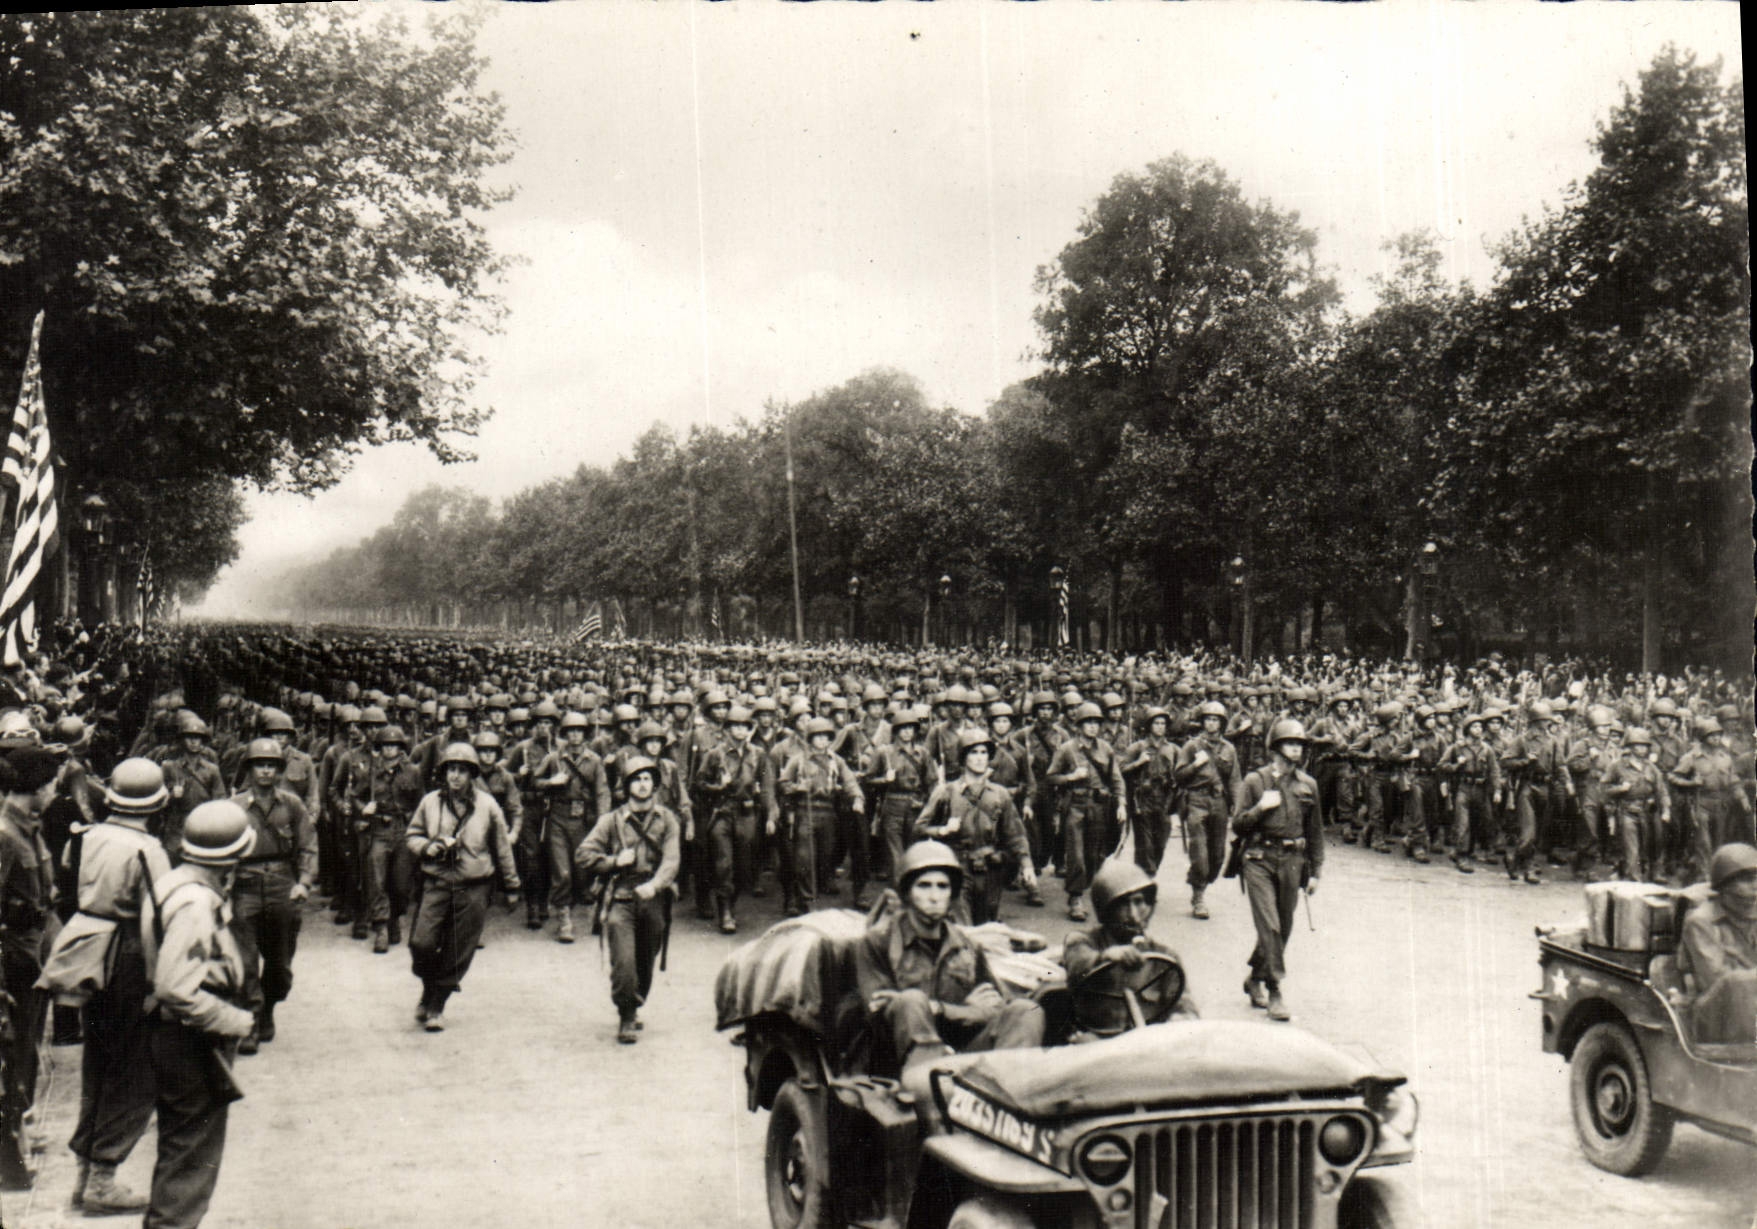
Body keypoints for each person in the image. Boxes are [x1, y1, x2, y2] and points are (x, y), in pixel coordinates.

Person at [36, 757, 172, 1214]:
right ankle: (103, 1178)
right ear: (156, 803)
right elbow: (154, 920)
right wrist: (160, 982)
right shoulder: (149, 849)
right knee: (137, 1071)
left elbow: (63, 895)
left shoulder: (85, 836)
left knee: (99, 1064)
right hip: (130, 959)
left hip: (89, 954)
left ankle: (84, 1175)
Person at [142, 799, 256, 1229]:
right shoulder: (196, 904)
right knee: (190, 1159)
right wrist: (235, 1021)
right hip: (190, 1041)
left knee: (182, 1153)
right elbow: (176, 986)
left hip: (179, 1036)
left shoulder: (177, 883)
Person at [847, 840, 1044, 1077]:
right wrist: (963, 1011)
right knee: (910, 1001)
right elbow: (881, 1014)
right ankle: (934, 1091)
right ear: (907, 892)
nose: (934, 896)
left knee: (1026, 1011)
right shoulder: (877, 942)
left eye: (943, 887)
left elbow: (996, 1007)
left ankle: (1008, 1094)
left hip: (960, 1056)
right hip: (897, 1065)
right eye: (924, 886)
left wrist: (940, 1009)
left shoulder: (965, 945)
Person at [404, 744, 520, 1032]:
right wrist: (428, 847)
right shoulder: (431, 802)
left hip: (474, 885)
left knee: (459, 949)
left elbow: (502, 847)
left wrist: (512, 884)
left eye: (462, 771)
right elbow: (413, 834)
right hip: (437, 881)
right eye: (451, 770)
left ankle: (437, 1004)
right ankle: (429, 985)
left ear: (471, 774)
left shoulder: (488, 804)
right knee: (421, 943)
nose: (455, 776)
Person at [573, 756, 681, 1044]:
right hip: (621, 897)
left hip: (654, 898)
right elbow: (583, 854)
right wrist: (613, 861)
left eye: (647, 779)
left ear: (655, 785)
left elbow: (672, 860)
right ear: (627, 785)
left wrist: (656, 885)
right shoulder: (611, 820)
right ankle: (627, 1014)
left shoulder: (667, 819)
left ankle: (635, 1002)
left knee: (646, 959)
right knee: (624, 963)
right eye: (636, 779)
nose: (643, 785)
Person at [1228, 718, 1323, 1023]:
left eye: (1299, 744)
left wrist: (1315, 871)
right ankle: (1275, 988)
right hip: (1259, 858)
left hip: (1293, 861)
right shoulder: (1256, 781)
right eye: (1290, 743)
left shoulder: (1308, 784)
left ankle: (1255, 976)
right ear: (1276, 747)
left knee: (1283, 926)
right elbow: (1239, 823)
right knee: (1270, 925)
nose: (1296, 749)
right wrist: (1261, 809)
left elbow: (1315, 831)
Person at [228, 737, 317, 1054]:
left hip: (282, 883)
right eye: (259, 765)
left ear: (279, 770)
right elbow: (221, 851)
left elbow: (307, 846)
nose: (265, 772)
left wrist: (303, 883)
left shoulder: (292, 805)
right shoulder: (235, 807)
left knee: (280, 968)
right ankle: (251, 1022)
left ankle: (267, 1007)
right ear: (249, 769)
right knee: (245, 961)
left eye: (271, 766)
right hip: (245, 884)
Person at [0, 748, 61, 1190]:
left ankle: (21, 1124)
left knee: (29, 1045)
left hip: (32, 953)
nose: (55, 791)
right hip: (14, 960)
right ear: (37, 789)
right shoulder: (5, 835)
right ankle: (12, 1138)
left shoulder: (28, 829)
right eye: (52, 785)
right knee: (16, 1049)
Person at [1061, 860, 1197, 1039]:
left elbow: (1185, 1007)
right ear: (1107, 909)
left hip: (1146, 1046)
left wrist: (1180, 1022)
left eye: (1140, 902)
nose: (1133, 915)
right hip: (1096, 1042)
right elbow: (1077, 963)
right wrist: (1105, 957)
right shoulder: (1083, 941)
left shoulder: (1165, 956)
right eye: (1124, 905)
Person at [911, 728, 1034, 924]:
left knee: (986, 924)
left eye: (984, 752)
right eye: (973, 752)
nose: (979, 758)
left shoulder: (1000, 794)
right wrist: (942, 830)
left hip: (990, 868)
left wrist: (1026, 865)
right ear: (963, 757)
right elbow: (919, 828)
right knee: (962, 924)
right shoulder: (946, 791)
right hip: (957, 865)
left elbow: (1015, 834)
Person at [1045, 702, 1128, 922]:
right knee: (1076, 854)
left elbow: (1116, 778)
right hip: (1075, 806)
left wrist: (1121, 803)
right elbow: (1051, 777)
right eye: (1088, 722)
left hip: (1099, 807)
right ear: (1079, 726)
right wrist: (1070, 777)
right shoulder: (1067, 749)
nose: (1092, 727)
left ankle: (1085, 886)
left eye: (1096, 723)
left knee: (1094, 855)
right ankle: (1075, 897)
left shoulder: (1105, 748)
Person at [693, 705, 773, 934]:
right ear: (727, 729)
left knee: (743, 865)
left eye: (744, 726)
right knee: (723, 863)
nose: (740, 730)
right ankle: (725, 910)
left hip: (747, 814)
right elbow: (699, 784)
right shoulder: (715, 754)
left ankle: (731, 903)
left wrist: (770, 814)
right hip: (723, 813)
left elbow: (767, 785)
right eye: (735, 726)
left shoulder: (757, 754)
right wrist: (719, 786)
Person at [1678, 843, 1757, 1045]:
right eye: (1747, 880)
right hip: (1716, 1011)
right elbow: (1716, 981)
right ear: (1725, 885)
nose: (1755, 887)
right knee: (1739, 984)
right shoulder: (1700, 922)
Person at [1174, 701, 1239, 919]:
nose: (1211, 724)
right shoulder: (1192, 746)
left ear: (1221, 723)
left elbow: (1235, 780)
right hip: (1196, 801)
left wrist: (1236, 808)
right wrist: (1195, 765)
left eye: (1215, 720)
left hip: (1219, 802)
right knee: (1200, 852)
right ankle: (1198, 895)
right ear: (1202, 722)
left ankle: (1201, 880)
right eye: (1208, 719)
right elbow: (1179, 775)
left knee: (1218, 856)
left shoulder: (1229, 749)